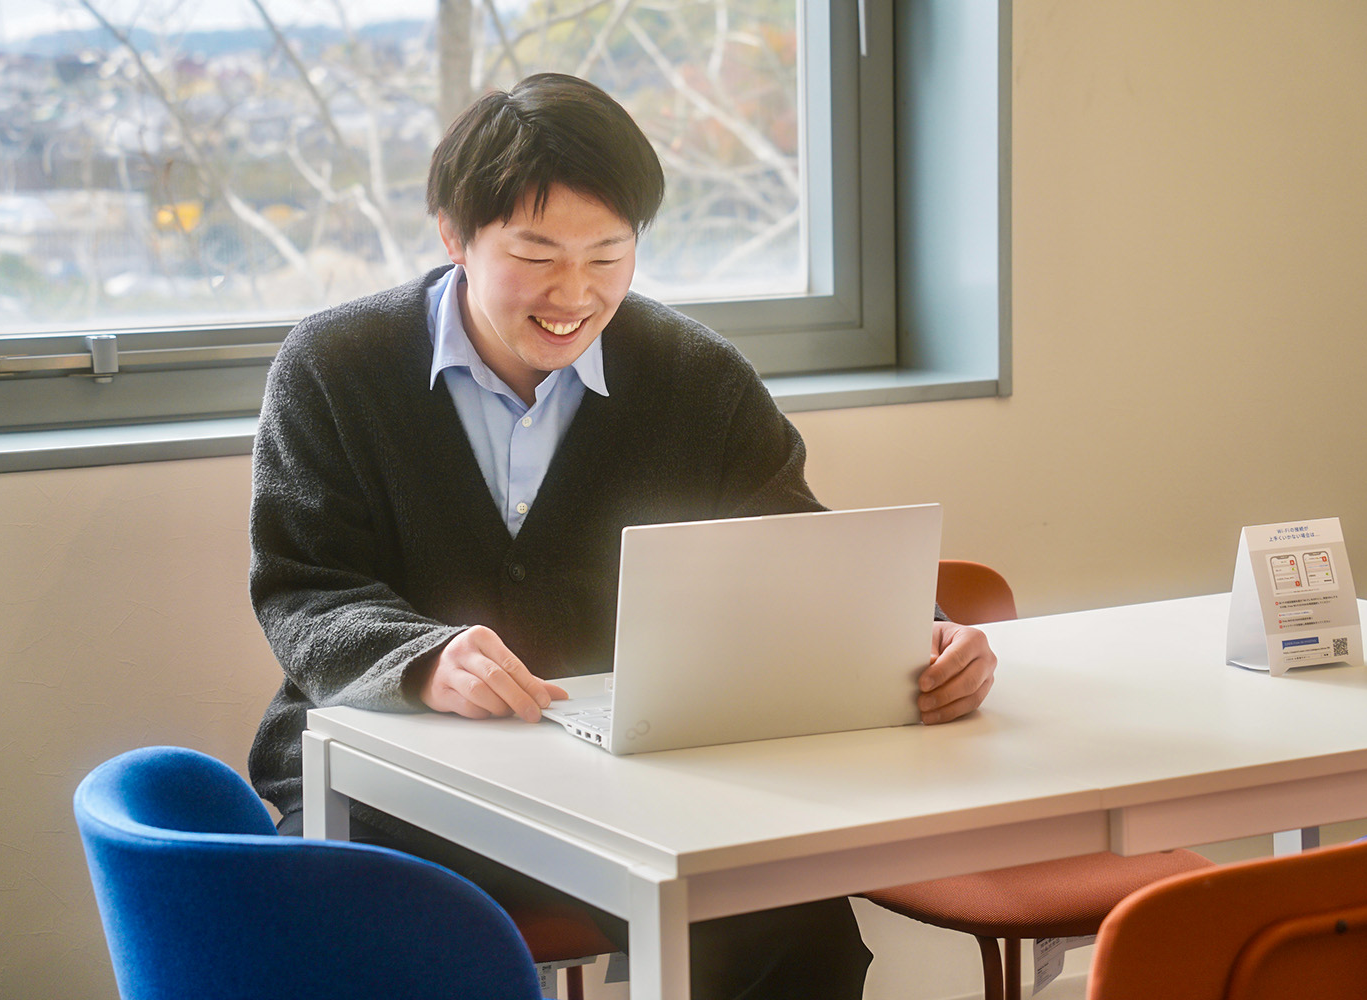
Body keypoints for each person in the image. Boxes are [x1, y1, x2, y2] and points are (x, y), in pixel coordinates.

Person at [247, 72, 997, 999]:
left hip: (633, 788)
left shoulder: (696, 377)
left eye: (608, 256)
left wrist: (922, 636)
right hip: (394, 786)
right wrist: (423, 661)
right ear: (454, 235)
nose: (574, 294)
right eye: (536, 255)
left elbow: (797, 553)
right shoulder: (335, 366)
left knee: (796, 935)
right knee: (377, 944)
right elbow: (303, 586)